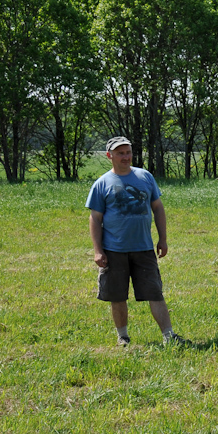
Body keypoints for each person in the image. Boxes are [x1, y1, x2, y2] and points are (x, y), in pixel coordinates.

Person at [87, 137, 181, 346]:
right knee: (117, 296)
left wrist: (163, 239)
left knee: (155, 292)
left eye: (128, 152)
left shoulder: (145, 177)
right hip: (114, 249)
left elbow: (158, 208)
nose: (126, 157)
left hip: (144, 248)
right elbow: (95, 218)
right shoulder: (102, 183)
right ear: (109, 156)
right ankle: (123, 337)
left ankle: (169, 336)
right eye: (120, 153)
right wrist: (98, 251)